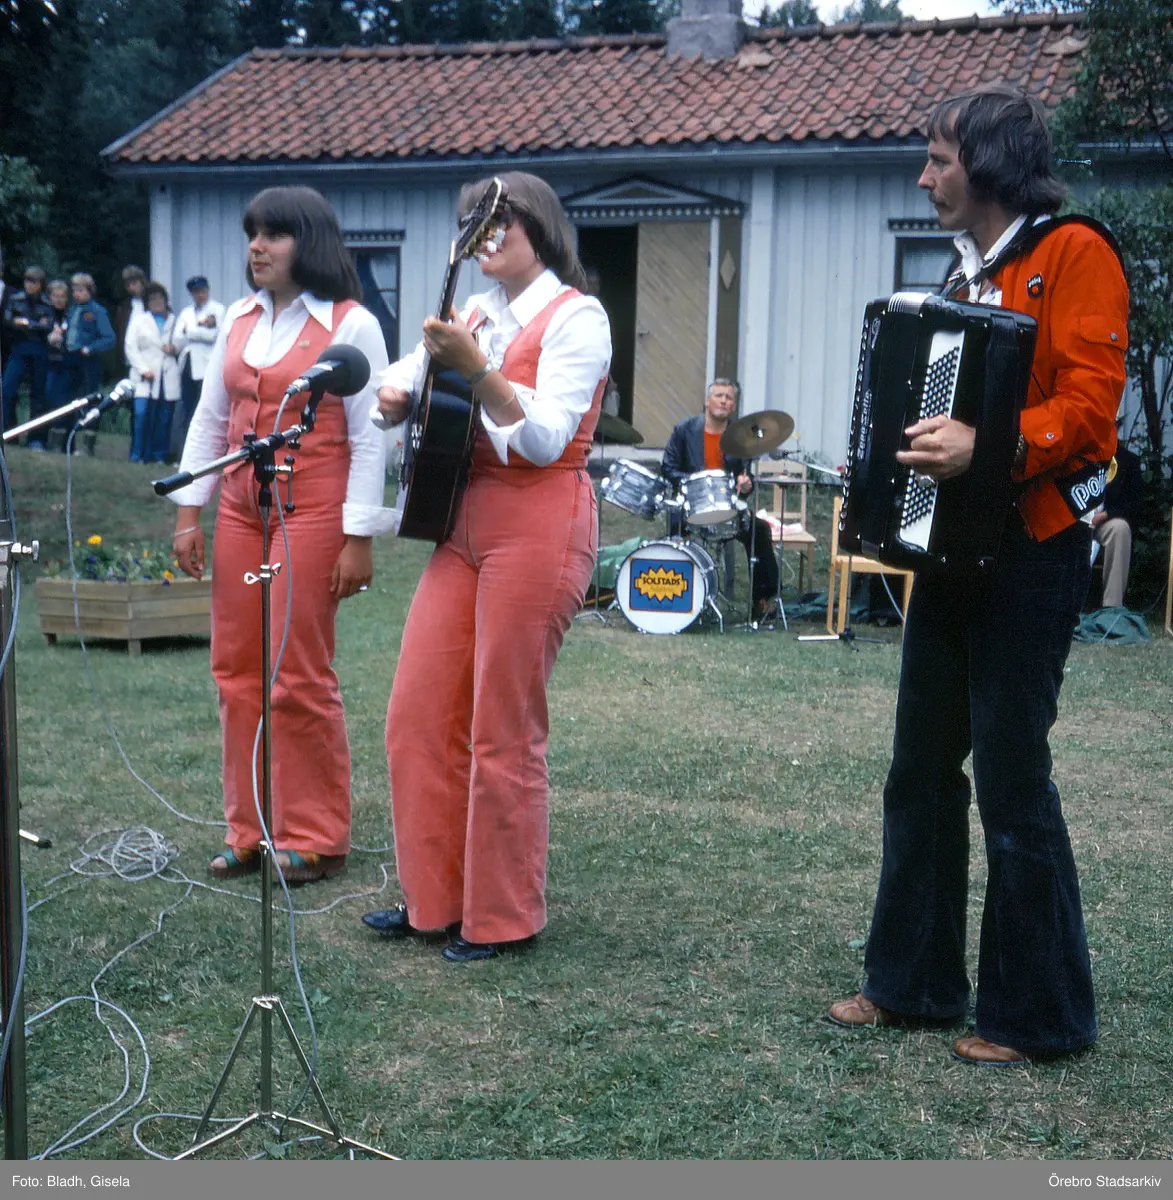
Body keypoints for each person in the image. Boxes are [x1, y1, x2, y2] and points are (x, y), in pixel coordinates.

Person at [827, 85, 1129, 1065]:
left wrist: (987, 446)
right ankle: (911, 985)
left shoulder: (1074, 253)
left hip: (1035, 552)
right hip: (953, 552)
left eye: (938, 159)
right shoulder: (965, 272)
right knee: (919, 767)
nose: (923, 177)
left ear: (989, 164)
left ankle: (1037, 1017)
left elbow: (1090, 408)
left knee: (1010, 775)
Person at [362, 171, 611, 961]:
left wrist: (475, 368)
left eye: (502, 220)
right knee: (416, 715)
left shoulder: (578, 317)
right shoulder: (472, 312)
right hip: (459, 518)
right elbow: (402, 373)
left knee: (502, 727)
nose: (485, 236)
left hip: (540, 518)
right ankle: (431, 900)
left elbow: (543, 438)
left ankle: (502, 917)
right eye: (475, 223)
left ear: (542, 227)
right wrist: (396, 395)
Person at [169, 186, 393, 884]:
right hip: (242, 510)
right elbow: (210, 419)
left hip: (313, 512)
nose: (256, 247)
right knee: (235, 670)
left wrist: (359, 536)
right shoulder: (238, 319)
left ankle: (314, 834)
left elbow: (371, 439)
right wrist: (189, 511)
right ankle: (248, 828)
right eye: (252, 234)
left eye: (274, 235)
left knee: (297, 673)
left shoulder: (352, 325)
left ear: (309, 242)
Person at [661, 379, 780, 618]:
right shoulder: (684, 430)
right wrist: (697, 481)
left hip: (728, 509)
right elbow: (668, 468)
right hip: (692, 506)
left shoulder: (741, 436)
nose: (723, 401)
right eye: (719, 395)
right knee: (674, 526)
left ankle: (762, 601)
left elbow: (745, 480)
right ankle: (676, 596)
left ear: (733, 406)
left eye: (729, 398)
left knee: (760, 530)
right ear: (707, 401)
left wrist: (746, 484)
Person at [124, 281, 181, 463]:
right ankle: (138, 455)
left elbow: (183, 341)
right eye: (152, 299)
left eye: (160, 298)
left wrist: (175, 348)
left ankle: (159, 456)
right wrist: (143, 369)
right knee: (141, 415)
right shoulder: (140, 320)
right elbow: (130, 346)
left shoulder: (174, 320)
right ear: (147, 303)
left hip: (167, 375)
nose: (157, 302)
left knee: (163, 419)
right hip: (145, 375)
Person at [172, 275, 225, 459]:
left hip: (207, 365)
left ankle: (208, 454)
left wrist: (190, 331)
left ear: (208, 290)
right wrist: (199, 329)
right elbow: (177, 338)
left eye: (203, 291)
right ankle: (185, 454)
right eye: (196, 292)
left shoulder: (218, 310)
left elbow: (214, 336)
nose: (200, 295)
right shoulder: (186, 313)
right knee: (187, 409)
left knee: (205, 409)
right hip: (188, 365)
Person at [1, 266, 53, 431]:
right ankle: (5, 430)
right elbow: (8, 321)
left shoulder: (47, 303)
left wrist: (27, 323)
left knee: (38, 394)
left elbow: (48, 326)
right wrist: (34, 324)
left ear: (41, 284)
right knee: (7, 389)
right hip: (19, 348)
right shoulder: (15, 299)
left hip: (39, 350)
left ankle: (36, 436)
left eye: (34, 282)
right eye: (28, 281)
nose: (30, 285)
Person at [1091, 441, 1142, 609]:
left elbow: (1134, 503)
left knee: (1120, 529)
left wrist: (1106, 515)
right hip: (1073, 520)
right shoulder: (1075, 453)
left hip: (1103, 523)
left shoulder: (1128, 460)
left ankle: (1112, 607)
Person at [65, 272, 116, 398]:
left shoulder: (98, 311)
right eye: (74, 291)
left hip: (87, 359)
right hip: (70, 357)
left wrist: (90, 348)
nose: (76, 294)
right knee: (70, 396)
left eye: (80, 290)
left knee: (88, 396)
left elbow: (110, 338)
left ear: (90, 291)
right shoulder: (71, 310)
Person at [40, 280, 73, 450]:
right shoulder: (44, 314)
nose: (59, 300)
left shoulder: (72, 316)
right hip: (48, 362)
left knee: (63, 401)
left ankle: (62, 442)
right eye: (55, 296)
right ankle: (43, 439)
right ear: (49, 297)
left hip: (66, 363)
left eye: (62, 296)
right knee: (47, 399)